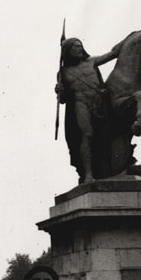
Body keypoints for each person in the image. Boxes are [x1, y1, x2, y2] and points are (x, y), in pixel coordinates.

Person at [55, 36, 121, 183]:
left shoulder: (91, 61)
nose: (79, 49)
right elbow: (64, 99)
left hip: (99, 103)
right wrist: (59, 90)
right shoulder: (63, 73)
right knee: (87, 135)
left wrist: (128, 40)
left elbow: (112, 54)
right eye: (75, 47)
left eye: (80, 46)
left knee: (104, 135)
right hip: (80, 104)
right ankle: (88, 174)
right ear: (67, 51)